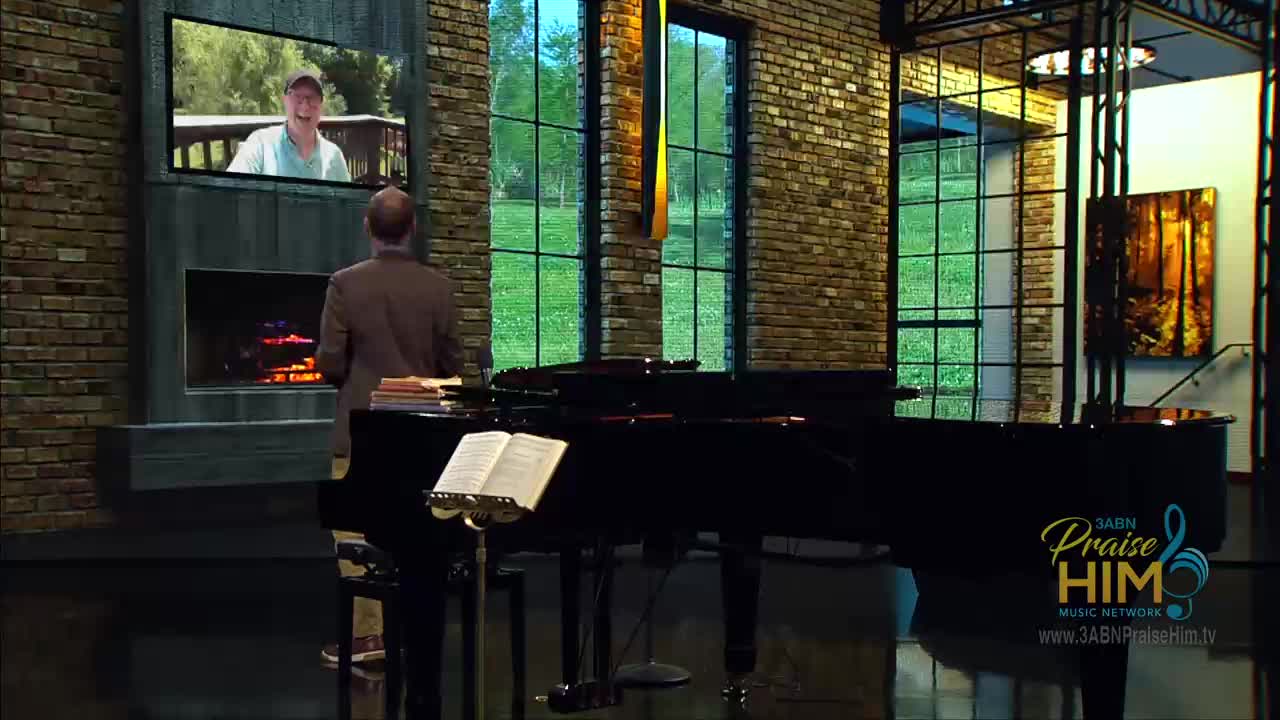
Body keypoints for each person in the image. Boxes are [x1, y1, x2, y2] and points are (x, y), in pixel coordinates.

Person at [315, 185, 463, 671]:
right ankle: (417, 633)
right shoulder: (439, 288)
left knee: (356, 531)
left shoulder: (343, 283)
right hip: (424, 438)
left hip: (361, 434)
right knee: (418, 533)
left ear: (368, 227)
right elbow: (451, 363)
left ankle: (367, 637)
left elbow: (330, 364)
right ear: (413, 228)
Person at [226, 69, 352, 182]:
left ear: (321, 106)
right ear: (284, 101)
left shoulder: (334, 155)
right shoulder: (260, 144)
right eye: (297, 96)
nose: (305, 106)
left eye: (312, 98)